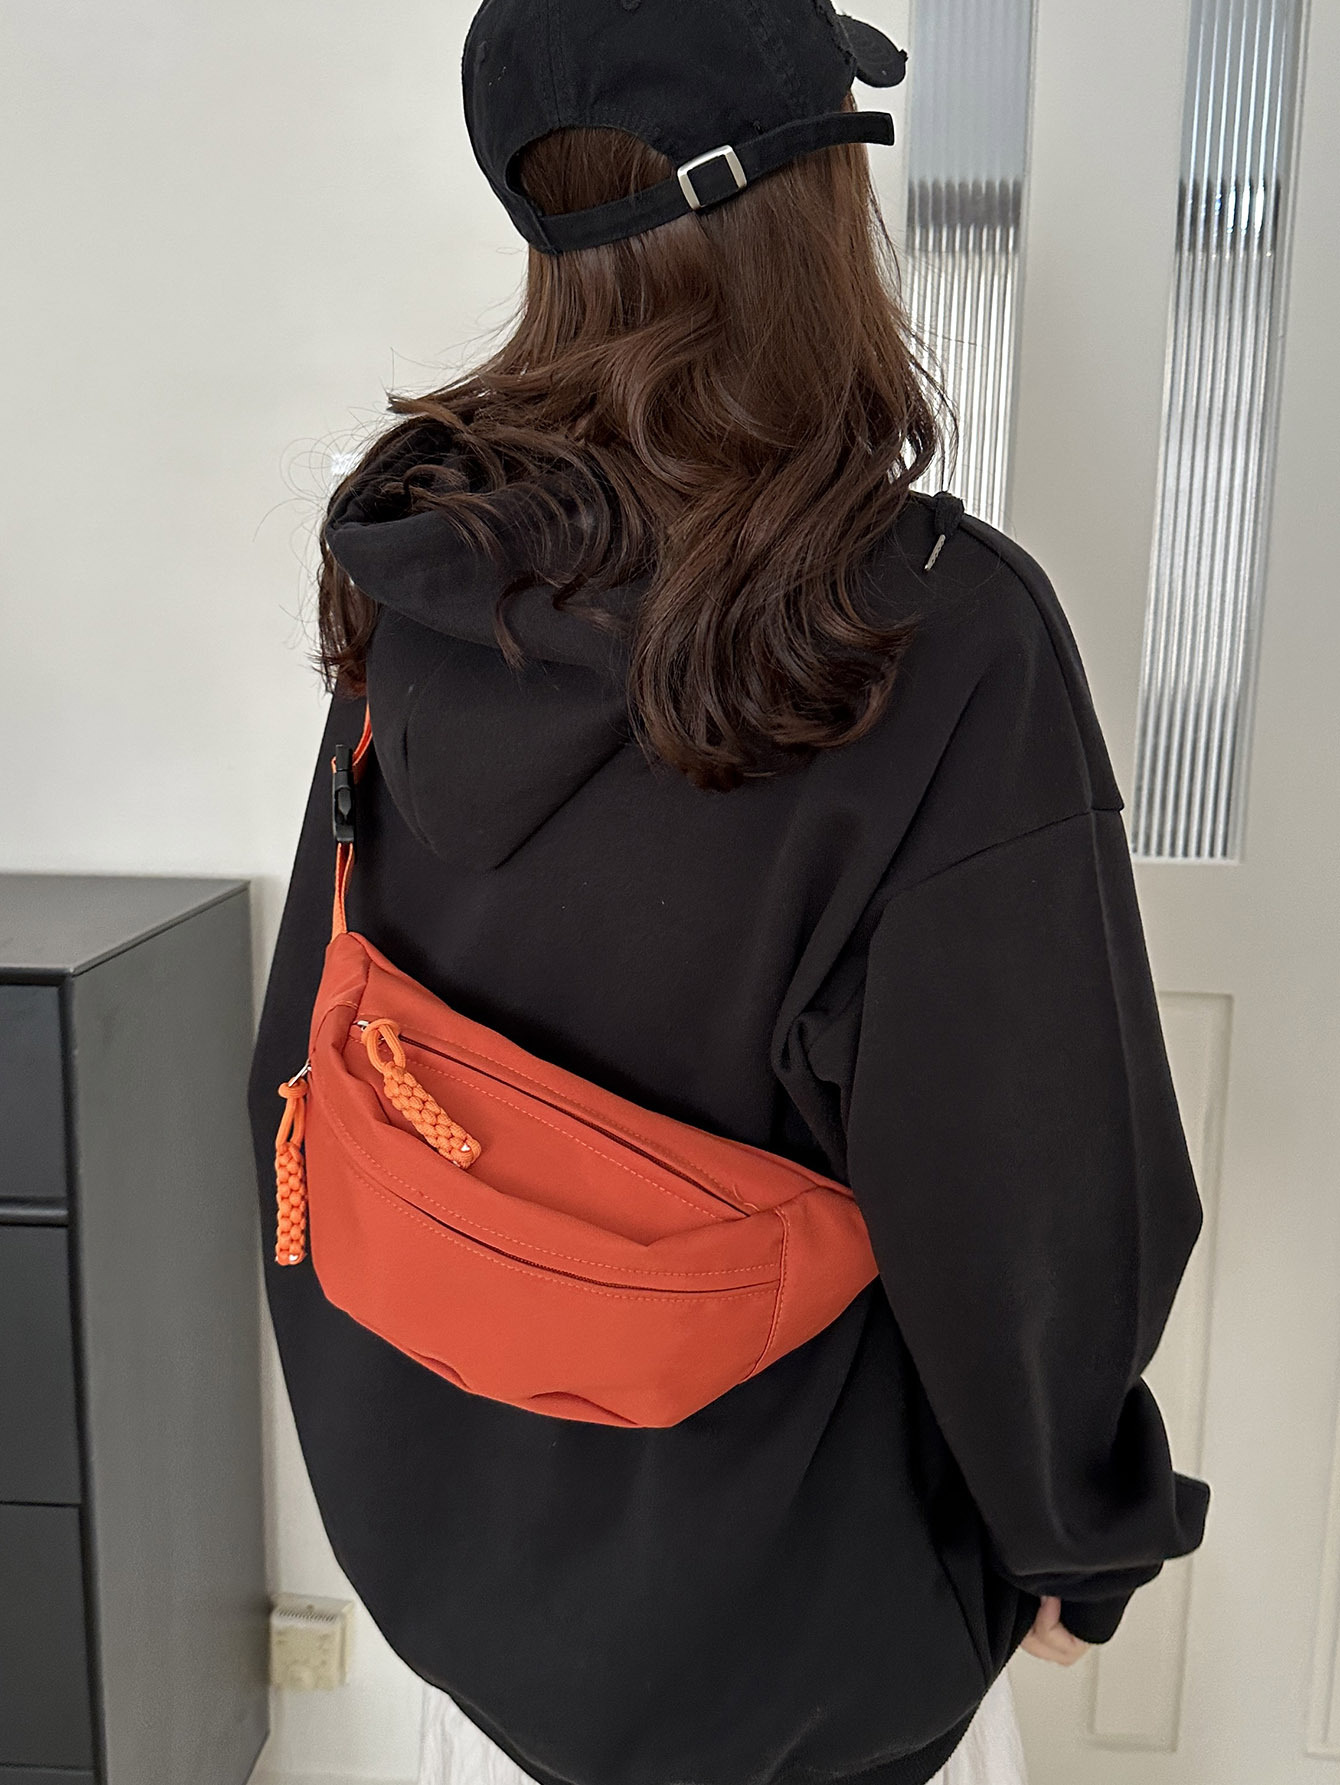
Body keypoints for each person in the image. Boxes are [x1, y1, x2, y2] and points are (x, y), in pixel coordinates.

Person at [247, 3, 1211, 1783]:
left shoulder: (425, 557)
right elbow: (1034, 1201)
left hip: (464, 1579)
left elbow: (308, 1044)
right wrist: (1083, 1536)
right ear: (811, 198)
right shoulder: (927, 642)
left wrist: (389, 1463)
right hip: (792, 1656)